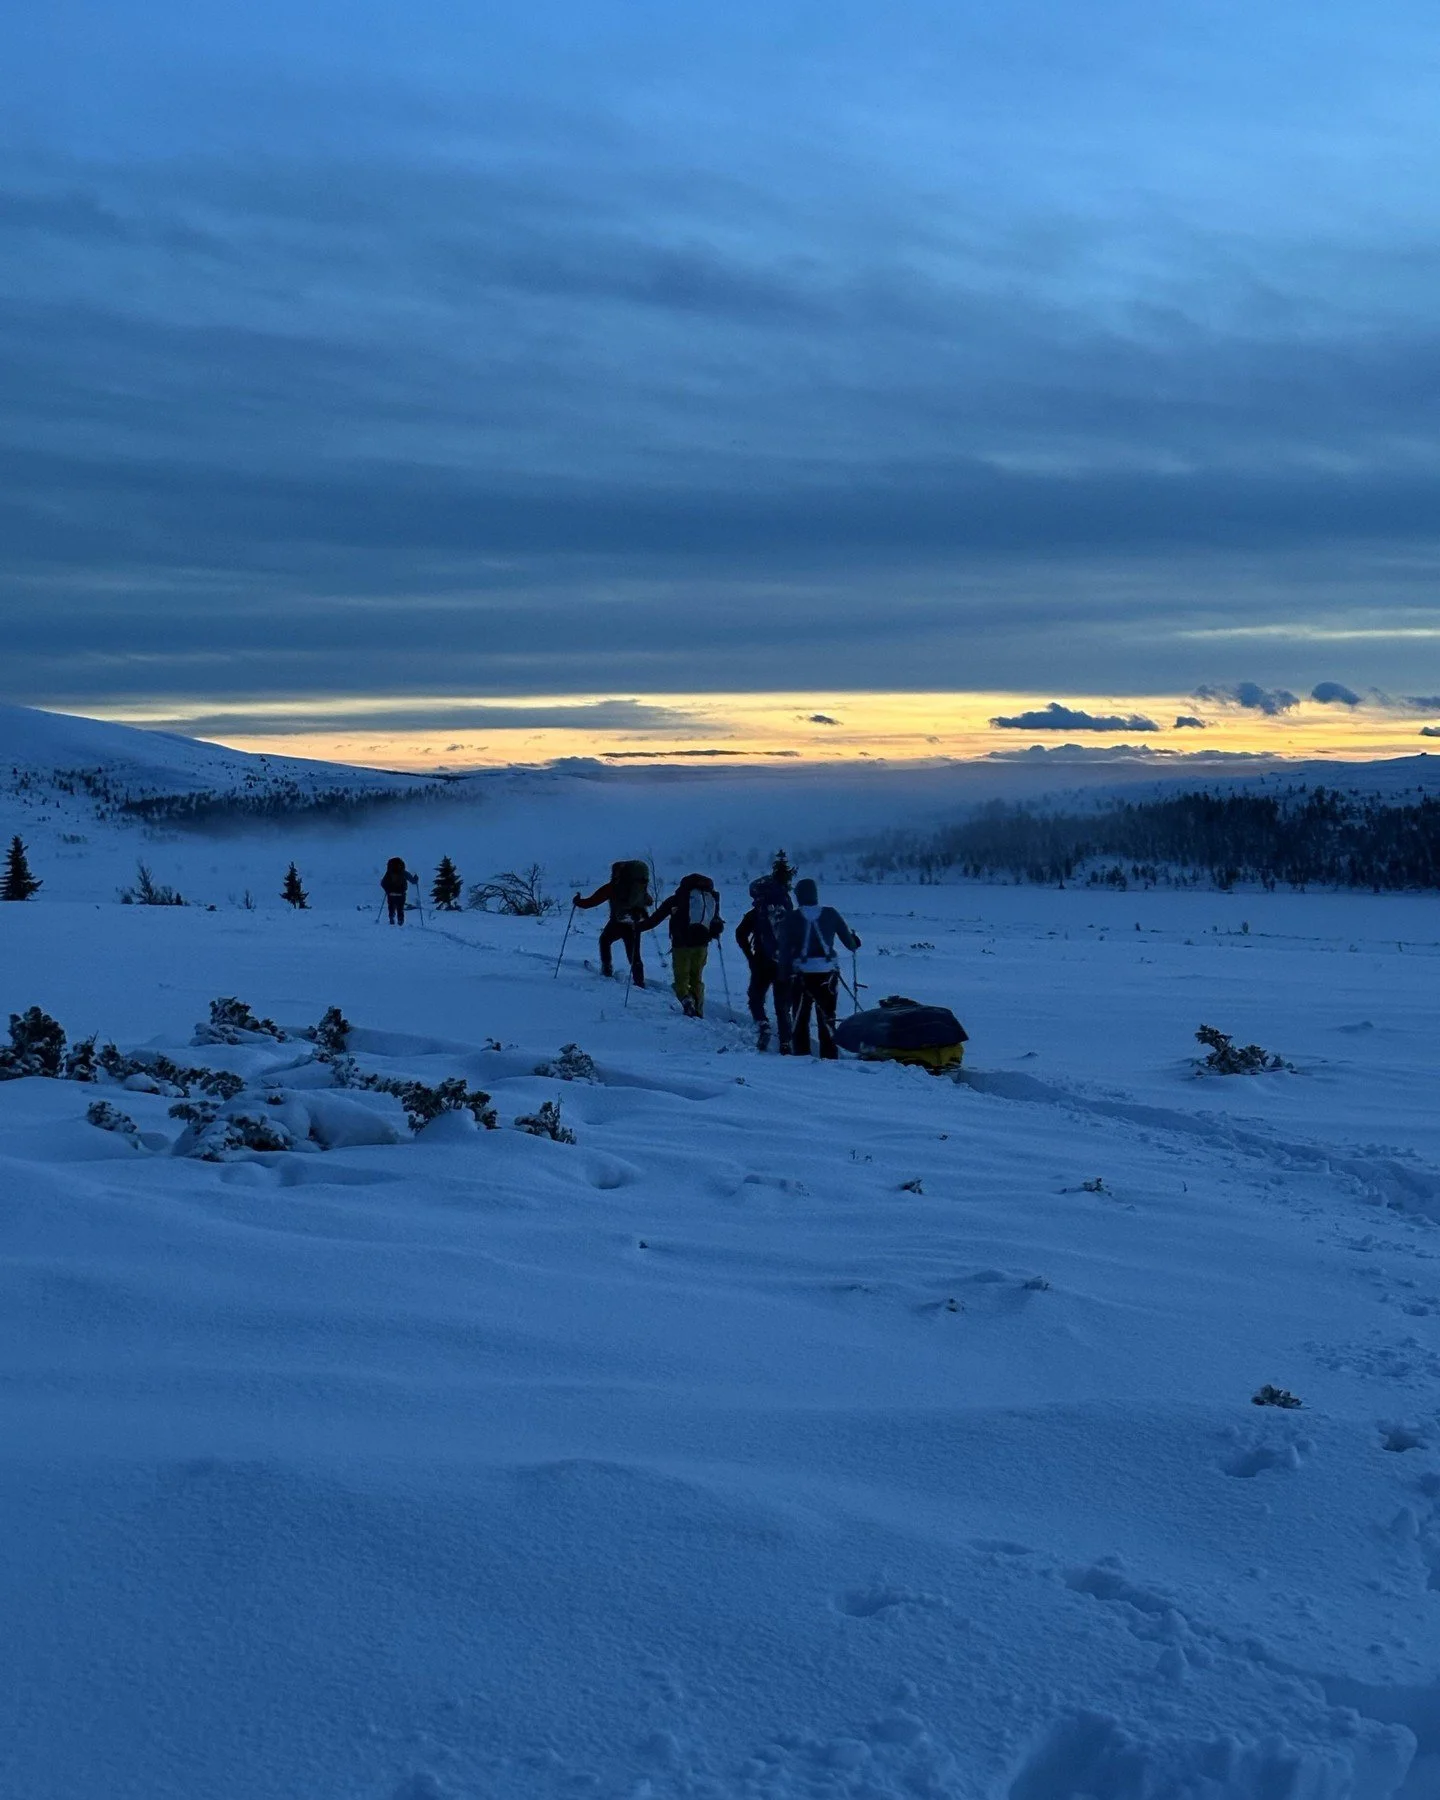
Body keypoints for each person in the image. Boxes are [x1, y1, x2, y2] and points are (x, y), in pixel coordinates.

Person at [779, 877, 860, 1059]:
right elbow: (851, 944)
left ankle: (801, 1055)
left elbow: (784, 950)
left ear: (798, 896)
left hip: (801, 975)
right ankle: (830, 1057)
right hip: (827, 974)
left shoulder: (791, 917)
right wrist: (855, 941)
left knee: (800, 1017)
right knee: (828, 1018)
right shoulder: (831, 914)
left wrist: (783, 975)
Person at [735, 858, 795, 1052]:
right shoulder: (788, 910)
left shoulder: (755, 913)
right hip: (785, 963)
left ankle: (763, 1025)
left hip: (761, 961)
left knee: (756, 996)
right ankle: (786, 1041)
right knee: (782, 1003)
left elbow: (740, 934)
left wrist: (750, 956)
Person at [644, 872, 724, 1017]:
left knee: (681, 977)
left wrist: (637, 927)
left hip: (681, 945)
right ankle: (698, 1010)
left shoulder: (677, 899)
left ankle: (686, 1000)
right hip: (702, 945)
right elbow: (715, 922)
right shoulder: (709, 898)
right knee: (697, 978)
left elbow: (655, 919)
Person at [573, 860, 652, 986]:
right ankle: (639, 981)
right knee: (634, 954)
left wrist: (578, 902)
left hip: (618, 922)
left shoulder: (613, 887)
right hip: (635, 923)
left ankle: (607, 969)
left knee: (605, 940)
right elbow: (649, 901)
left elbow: (591, 902)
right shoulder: (639, 887)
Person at [380, 856, 418, 925]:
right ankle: (400, 920)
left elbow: (383, 883)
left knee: (391, 906)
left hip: (390, 893)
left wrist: (387, 890)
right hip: (401, 893)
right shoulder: (403, 872)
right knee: (400, 907)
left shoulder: (389, 873)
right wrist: (415, 879)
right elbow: (413, 881)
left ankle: (391, 916)